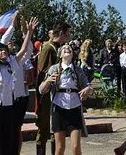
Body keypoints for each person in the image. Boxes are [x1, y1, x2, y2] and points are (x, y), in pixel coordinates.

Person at [0, 12, 38, 155]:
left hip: (10, 106)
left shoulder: (13, 63)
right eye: (0, 50)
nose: (2, 51)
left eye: (4, 49)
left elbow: (23, 50)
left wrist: (28, 32)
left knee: (9, 139)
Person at [39, 43, 92, 155]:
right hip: (59, 107)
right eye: (64, 48)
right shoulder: (54, 68)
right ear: (60, 55)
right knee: (59, 148)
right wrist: (48, 81)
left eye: (69, 48)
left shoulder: (77, 69)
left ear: (73, 54)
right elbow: (41, 90)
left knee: (76, 146)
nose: (67, 49)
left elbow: (87, 85)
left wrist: (87, 89)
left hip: (74, 106)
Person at [36, 22, 71, 155]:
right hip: (47, 95)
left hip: (57, 94)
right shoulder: (48, 48)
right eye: (68, 33)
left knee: (55, 128)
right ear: (61, 33)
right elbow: (42, 72)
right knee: (44, 127)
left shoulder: (59, 48)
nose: (69, 36)